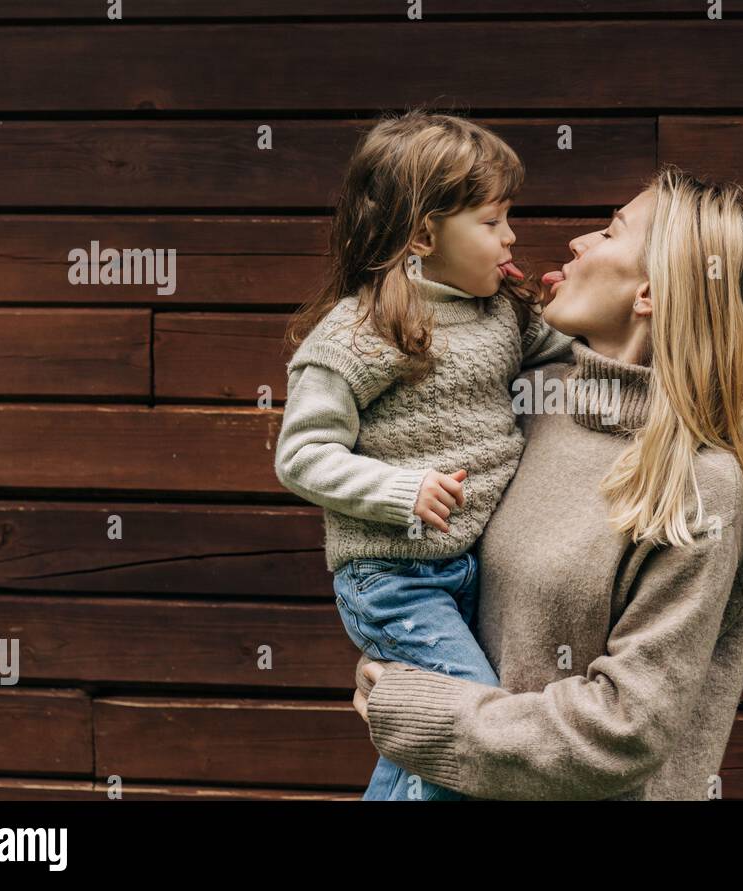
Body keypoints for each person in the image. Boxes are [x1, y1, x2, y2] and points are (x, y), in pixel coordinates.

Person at [352, 164, 743, 800]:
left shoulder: (700, 485)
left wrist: (422, 712)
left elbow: (623, 728)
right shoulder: (529, 408)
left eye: (611, 231)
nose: (579, 242)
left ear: (648, 293)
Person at [274, 108, 573, 800]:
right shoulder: (365, 328)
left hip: (467, 571)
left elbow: (573, 352)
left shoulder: (501, 310)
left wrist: (579, 308)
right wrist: (400, 490)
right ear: (423, 232)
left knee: (421, 737)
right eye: (493, 221)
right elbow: (301, 452)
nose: (511, 235)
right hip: (393, 577)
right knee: (469, 721)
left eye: (510, 218)